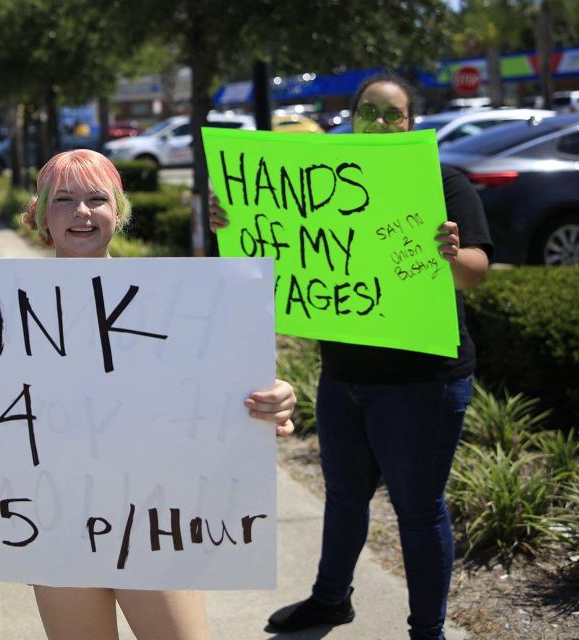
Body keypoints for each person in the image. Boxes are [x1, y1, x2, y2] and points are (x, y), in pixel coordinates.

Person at [0, 149, 298, 640]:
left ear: (117, 211)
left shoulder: (173, 300)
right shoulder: (0, 309)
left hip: (156, 524)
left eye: (97, 198)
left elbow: (221, 389)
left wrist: (275, 399)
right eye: (64, 200)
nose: (82, 211)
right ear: (39, 217)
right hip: (54, 527)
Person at [210, 73, 492, 640]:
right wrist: (232, 223)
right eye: (371, 112)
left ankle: (426, 632)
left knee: (417, 509)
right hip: (345, 375)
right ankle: (330, 600)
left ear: (411, 121)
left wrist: (452, 254)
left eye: (394, 114)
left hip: (423, 380)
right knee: (343, 496)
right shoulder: (321, 180)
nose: (382, 122)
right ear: (353, 117)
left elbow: (476, 275)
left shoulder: (443, 182)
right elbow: (267, 257)